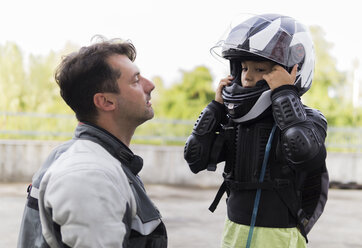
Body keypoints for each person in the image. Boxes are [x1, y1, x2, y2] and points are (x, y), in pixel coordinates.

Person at [184, 14, 328, 248]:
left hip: (280, 236)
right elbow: (195, 158)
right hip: (234, 232)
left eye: (260, 69)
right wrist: (215, 109)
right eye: (243, 68)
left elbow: (304, 153)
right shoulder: (237, 122)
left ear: (292, 71)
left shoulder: (309, 119)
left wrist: (284, 94)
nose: (248, 76)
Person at [17, 37, 167, 248]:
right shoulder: (89, 175)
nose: (150, 85)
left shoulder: (93, 160)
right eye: (135, 80)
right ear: (105, 101)